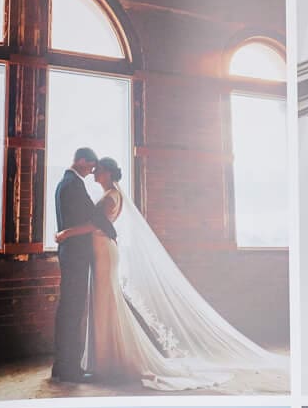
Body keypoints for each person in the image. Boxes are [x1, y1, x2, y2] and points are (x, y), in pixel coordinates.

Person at [82, 156, 286, 393]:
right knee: (105, 302)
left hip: (104, 251)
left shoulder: (111, 197)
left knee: (107, 302)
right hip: (101, 251)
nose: (94, 173)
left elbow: (99, 225)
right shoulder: (112, 195)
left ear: (107, 172)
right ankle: (107, 358)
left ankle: (114, 360)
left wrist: (67, 233)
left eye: (97, 170)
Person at [50, 145, 113, 383]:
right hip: (75, 255)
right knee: (72, 311)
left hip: (70, 253)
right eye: (91, 167)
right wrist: (110, 230)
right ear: (83, 161)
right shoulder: (74, 185)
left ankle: (61, 366)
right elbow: (94, 217)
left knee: (67, 309)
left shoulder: (64, 184)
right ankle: (69, 370)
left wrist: (64, 234)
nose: (92, 171)